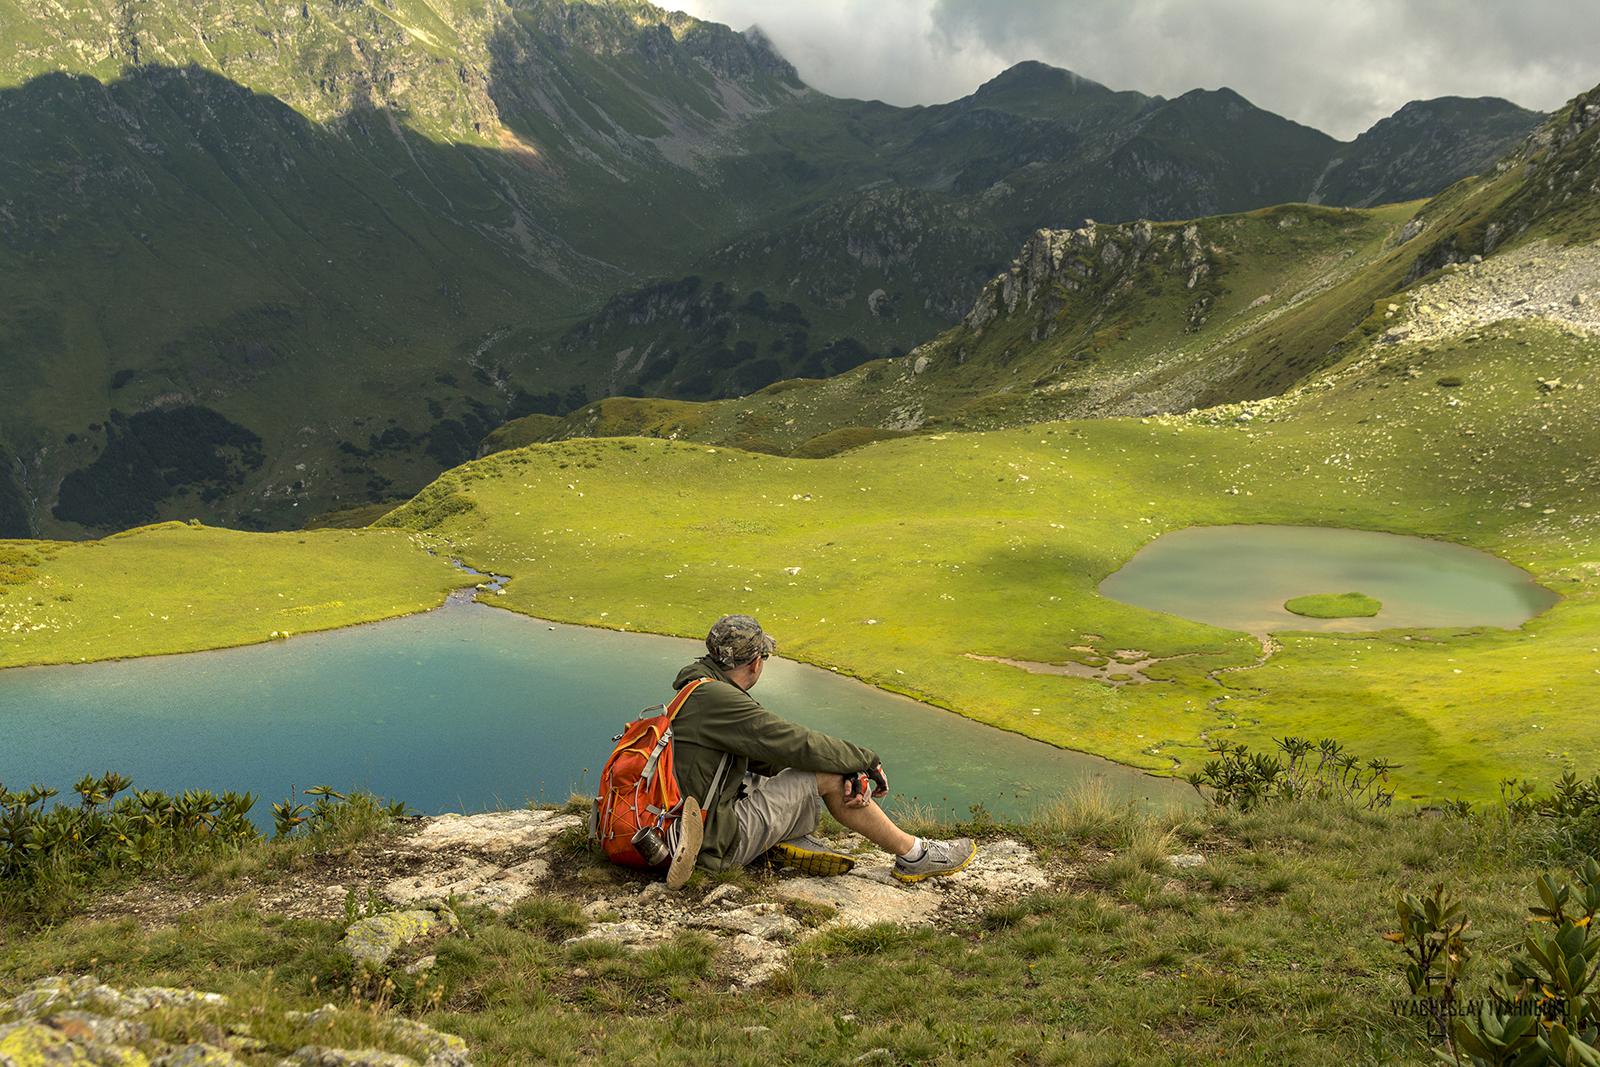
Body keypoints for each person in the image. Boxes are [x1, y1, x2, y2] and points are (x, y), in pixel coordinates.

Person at [665, 613, 977, 884]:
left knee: (789, 768)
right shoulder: (719, 700)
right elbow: (796, 742)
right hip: (715, 845)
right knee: (827, 775)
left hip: (684, 830)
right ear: (756, 662)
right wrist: (865, 761)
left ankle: (780, 838)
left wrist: (846, 765)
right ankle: (914, 854)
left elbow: (768, 757)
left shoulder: (695, 689)